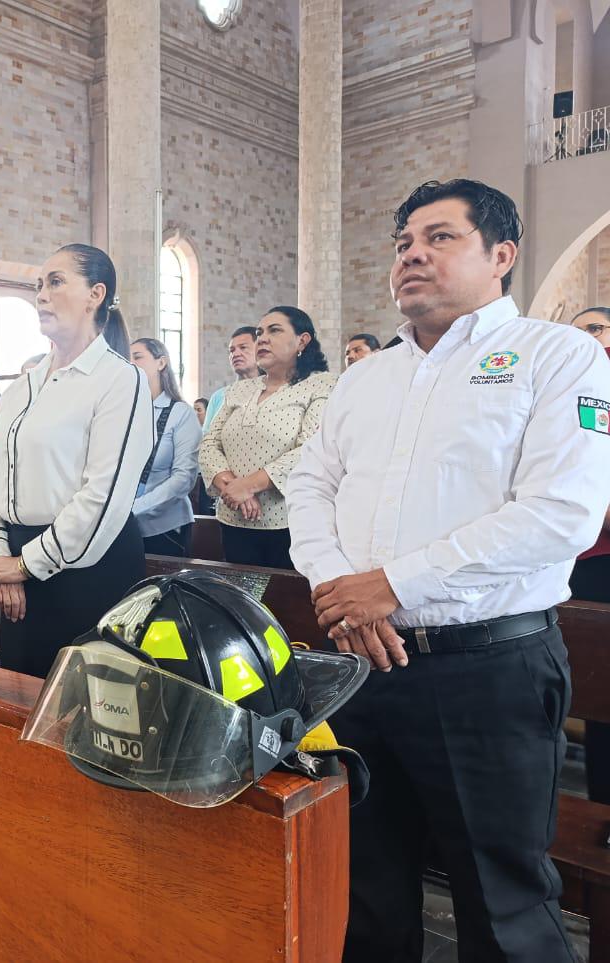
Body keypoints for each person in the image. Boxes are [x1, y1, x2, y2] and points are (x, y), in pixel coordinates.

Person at [286, 178, 610, 963]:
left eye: (439, 237)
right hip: (358, 666)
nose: (412, 255)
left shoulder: (555, 355)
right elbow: (309, 485)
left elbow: (560, 512)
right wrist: (344, 594)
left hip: (486, 670)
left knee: (503, 909)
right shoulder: (366, 377)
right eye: (403, 243)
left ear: (500, 255)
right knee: (363, 892)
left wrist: (392, 584)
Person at [0, 243, 152, 678]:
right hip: (16, 576)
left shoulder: (119, 380)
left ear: (96, 294)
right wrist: (0, 561)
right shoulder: (23, 387)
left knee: (85, 716)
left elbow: (103, 497)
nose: (41, 295)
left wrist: (27, 564)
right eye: (38, 285)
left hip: (87, 573)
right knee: (21, 704)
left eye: (56, 282)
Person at [199, 307, 334, 569]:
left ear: (302, 340)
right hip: (234, 517)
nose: (262, 338)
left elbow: (310, 449)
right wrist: (234, 489)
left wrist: (249, 485)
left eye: (274, 330)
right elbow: (209, 444)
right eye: (260, 333)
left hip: (290, 522)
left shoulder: (322, 384)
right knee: (242, 603)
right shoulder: (240, 389)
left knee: (286, 604)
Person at [570, 305, 610, 806]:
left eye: (598, 329)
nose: (590, 340)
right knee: (593, 685)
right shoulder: (565, 386)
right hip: (572, 558)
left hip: (603, 550)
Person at [129, 337, 201, 557]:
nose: (130, 363)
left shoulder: (180, 413)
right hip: (120, 525)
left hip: (163, 527)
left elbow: (183, 479)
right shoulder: (125, 412)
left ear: (161, 363)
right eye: (127, 358)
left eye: (138, 357)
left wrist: (134, 508)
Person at [201, 326, 259, 432]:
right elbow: (206, 436)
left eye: (243, 347)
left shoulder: (271, 391)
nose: (235, 354)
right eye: (232, 350)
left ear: (259, 351)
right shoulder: (218, 397)